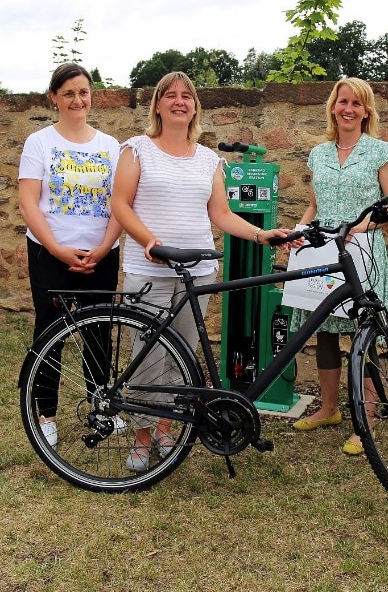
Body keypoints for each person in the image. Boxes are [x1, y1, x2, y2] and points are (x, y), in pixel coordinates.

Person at [111, 71, 295, 472]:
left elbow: (221, 214)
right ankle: (141, 438)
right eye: (171, 96)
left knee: (182, 357)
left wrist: (263, 235)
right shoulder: (136, 150)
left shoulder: (209, 159)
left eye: (187, 97)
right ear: (157, 105)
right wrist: (149, 241)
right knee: (147, 356)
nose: (179, 101)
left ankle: (166, 427)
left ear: (195, 106)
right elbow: (121, 204)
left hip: (198, 272)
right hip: (150, 270)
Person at [289, 77, 388, 456]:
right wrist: (300, 231)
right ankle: (328, 408)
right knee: (324, 329)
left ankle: (365, 420)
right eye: (342, 102)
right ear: (333, 107)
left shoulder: (379, 151)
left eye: (356, 103)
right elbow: (314, 204)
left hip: (363, 250)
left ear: (366, 110)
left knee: (364, 331)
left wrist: (360, 227)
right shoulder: (318, 154)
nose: (348, 109)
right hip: (324, 250)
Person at [17, 62, 124, 447]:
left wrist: (103, 245)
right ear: (54, 98)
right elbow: (29, 203)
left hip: (101, 254)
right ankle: (46, 415)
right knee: (50, 333)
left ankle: (101, 404)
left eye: (83, 92)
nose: (77, 100)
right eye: (68, 93)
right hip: (51, 253)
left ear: (91, 95)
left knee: (99, 332)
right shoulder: (40, 142)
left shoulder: (111, 146)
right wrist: (57, 249)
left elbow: (121, 204)